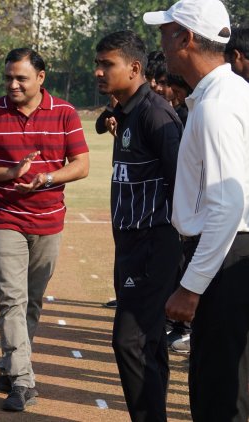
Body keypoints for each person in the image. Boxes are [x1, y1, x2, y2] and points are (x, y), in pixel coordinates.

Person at [0, 48, 89, 412]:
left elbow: (81, 165)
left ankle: (10, 364)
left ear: (41, 78)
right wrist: (9, 174)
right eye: (8, 78)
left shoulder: (64, 113)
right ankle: (22, 381)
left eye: (21, 78)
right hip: (4, 216)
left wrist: (45, 178)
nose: (13, 84)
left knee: (31, 301)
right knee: (11, 300)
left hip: (49, 219)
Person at [144, 1, 249, 421]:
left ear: (186, 39)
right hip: (230, 252)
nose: (162, 45)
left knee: (219, 392)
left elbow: (228, 205)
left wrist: (191, 286)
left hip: (226, 254)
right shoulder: (232, 92)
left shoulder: (217, 104)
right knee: (231, 385)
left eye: (166, 34)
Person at [94, 30, 183, 422]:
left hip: (153, 243)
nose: (98, 72)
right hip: (130, 243)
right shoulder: (127, 110)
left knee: (128, 341)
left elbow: (182, 182)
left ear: (134, 68)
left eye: (106, 64)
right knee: (147, 345)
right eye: (97, 64)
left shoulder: (155, 113)